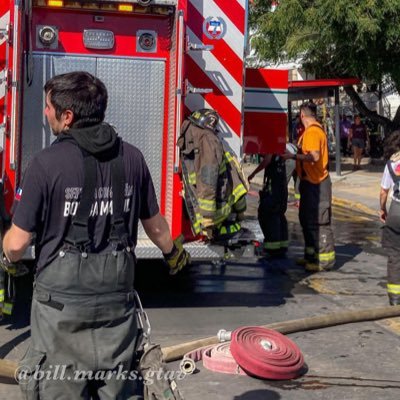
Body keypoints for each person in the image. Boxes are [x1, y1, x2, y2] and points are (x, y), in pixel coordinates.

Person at [1, 71, 190, 399]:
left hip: (60, 313)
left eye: (48, 108)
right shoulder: (132, 157)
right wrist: (173, 255)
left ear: (67, 116)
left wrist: (6, 255)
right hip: (116, 308)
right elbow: (156, 225)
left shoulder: (45, 164)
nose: (45, 114)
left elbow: (17, 244)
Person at [177, 109, 249, 242]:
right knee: (234, 227)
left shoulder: (197, 136)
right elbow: (208, 178)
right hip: (219, 209)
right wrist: (208, 217)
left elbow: (207, 178)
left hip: (212, 208)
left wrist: (207, 217)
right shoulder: (209, 140)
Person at [282, 101, 335, 272]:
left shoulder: (312, 132)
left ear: (302, 115)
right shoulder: (309, 133)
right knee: (307, 220)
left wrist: (293, 156)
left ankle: (324, 262)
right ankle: (310, 256)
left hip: (317, 183)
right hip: (309, 183)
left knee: (320, 222)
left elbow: (314, 156)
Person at [248, 144, 296, 258]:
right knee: (279, 214)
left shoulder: (272, 142)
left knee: (267, 214)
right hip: (280, 186)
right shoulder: (280, 143)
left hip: (273, 186)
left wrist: (253, 173)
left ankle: (272, 248)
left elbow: (267, 159)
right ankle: (281, 245)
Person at [380, 130, 400, 306]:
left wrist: (382, 209)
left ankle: (395, 297)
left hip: (396, 210)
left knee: (395, 254)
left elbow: (383, 192)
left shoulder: (391, 164)